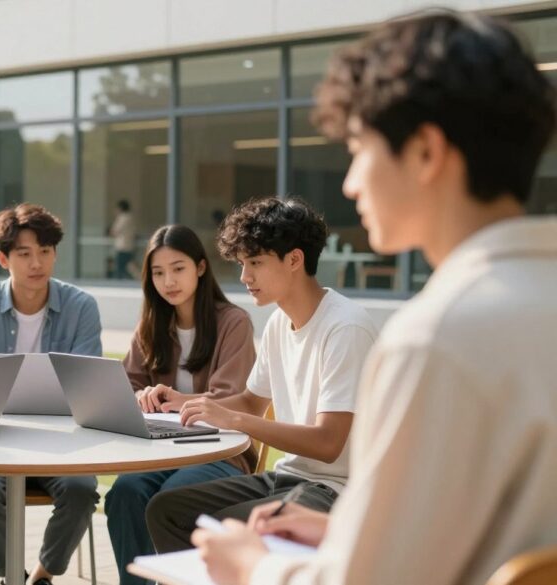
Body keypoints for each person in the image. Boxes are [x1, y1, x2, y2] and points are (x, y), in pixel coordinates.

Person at [189, 10, 557, 585]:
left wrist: (253, 568)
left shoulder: (438, 338)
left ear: (426, 153)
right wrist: (343, 532)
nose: (350, 182)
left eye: (359, 149)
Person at [146, 197, 378, 553]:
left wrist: (233, 418)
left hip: (336, 490)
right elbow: (253, 401)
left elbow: (328, 443)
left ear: (294, 260)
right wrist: (186, 402)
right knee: (166, 510)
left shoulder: (345, 328)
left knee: (231, 533)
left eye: (254, 262)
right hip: (288, 478)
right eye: (241, 263)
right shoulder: (277, 324)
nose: (244, 277)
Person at [0, 203, 102, 585]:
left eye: (45, 252)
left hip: (62, 446)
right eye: (24, 253)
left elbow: (88, 386)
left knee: (82, 490)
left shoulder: (81, 307)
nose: (37, 263)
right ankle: (10, 576)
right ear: (3, 258)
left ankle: (40, 577)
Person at [105, 224, 258, 585]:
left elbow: (231, 395)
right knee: (124, 492)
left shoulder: (233, 322)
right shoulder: (151, 325)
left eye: (178, 269)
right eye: (158, 273)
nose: (168, 281)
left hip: (221, 452)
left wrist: (177, 400)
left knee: (172, 497)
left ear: (200, 268)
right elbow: (125, 388)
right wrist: (140, 397)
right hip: (162, 449)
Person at [109, 199, 136, 279]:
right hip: (129, 246)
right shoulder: (131, 217)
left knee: (120, 268)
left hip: (122, 247)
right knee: (128, 266)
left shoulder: (122, 218)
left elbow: (114, 232)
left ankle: (123, 282)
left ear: (120, 208)